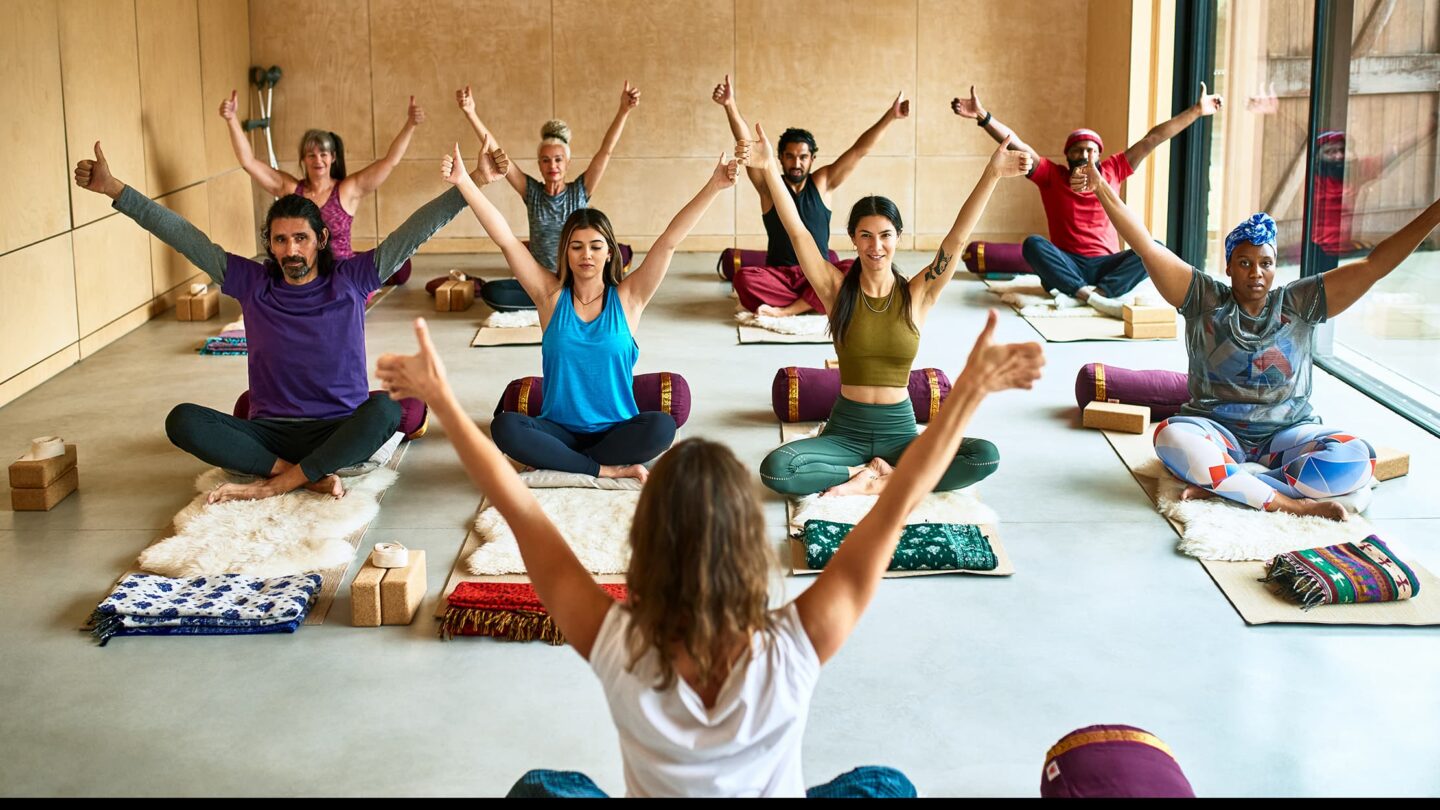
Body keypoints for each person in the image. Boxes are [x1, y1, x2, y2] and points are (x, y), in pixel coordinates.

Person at [374, 308, 1043, 797]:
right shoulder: (793, 645)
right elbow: (898, 502)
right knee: (886, 786)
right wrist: (970, 395)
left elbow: (517, 507)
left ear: (644, 547)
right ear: (750, 549)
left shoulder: (619, 645)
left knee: (545, 788)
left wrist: (443, 402)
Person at [72, 140, 506, 503]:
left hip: (339, 432)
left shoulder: (351, 279)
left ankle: (284, 480)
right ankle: (298, 476)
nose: (291, 249)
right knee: (182, 419)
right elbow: (183, 234)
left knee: (386, 408)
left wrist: (474, 182)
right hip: (271, 437)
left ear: (320, 239)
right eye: (281, 240)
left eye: (301, 238)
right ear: (271, 245)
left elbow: (416, 230)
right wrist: (114, 189)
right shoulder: (251, 282)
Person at [1079, 159, 1440, 519]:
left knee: (1358, 456)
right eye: (1245, 263)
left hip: (1286, 436)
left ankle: (1234, 486)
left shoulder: (1301, 303)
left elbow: (1374, 266)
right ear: (1229, 267)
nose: (1256, 272)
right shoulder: (1204, 299)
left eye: (1265, 263)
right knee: (1170, 437)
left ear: (1274, 266)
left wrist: (1435, 213)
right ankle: (1290, 504)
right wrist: (1100, 188)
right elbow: (1146, 246)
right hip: (1215, 430)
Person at [752, 124, 1031, 496]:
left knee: (983, 455)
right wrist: (770, 168)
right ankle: (863, 474)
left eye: (885, 235)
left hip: (900, 434)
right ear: (853, 238)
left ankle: (882, 478)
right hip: (845, 433)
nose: (876, 246)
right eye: (865, 235)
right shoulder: (835, 289)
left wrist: (992, 173)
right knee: (778, 470)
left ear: (898, 237)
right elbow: (798, 231)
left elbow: (957, 238)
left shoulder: (919, 293)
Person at [442, 141, 740, 482]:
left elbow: (669, 240)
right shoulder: (549, 296)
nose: (587, 255)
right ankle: (599, 469)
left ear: (610, 253)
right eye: (577, 246)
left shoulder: (629, 298)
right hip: (558, 429)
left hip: (616, 431)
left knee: (662, 426)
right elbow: (507, 240)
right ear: (566, 253)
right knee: (506, 426)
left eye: (596, 246)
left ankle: (565, 463)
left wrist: (714, 186)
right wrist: (465, 182)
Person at [952, 83, 1223, 315]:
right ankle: (1087, 295)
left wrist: (1196, 111)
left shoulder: (1113, 170)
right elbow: (1018, 145)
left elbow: (1152, 139)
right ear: (1067, 155)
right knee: (1032, 245)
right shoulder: (1051, 175)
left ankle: (1096, 292)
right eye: (1078, 151)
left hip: (1106, 265)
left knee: (1153, 247)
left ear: (1099, 155)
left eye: (1091, 151)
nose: (1085, 155)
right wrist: (983, 116)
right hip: (1070, 263)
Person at [712, 75, 908, 316]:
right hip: (781, 276)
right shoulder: (769, 187)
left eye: (803, 157)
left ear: (812, 159)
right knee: (743, 280)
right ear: (780, 158)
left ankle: (788, 309)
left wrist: (891, 116)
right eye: (790, 156)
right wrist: (730, 105)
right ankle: (814, 302)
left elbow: (859, 150)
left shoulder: (823, 182)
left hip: (819, 273)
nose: (796, 163)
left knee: (853, 268)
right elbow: (747, 144)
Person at [219, 91, 426, 283]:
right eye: (311, 155)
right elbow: (249, 163)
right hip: (301, 273)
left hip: (341, 274)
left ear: (333, 157)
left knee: (401, 267)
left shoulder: (346, 190)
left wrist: (411, 124)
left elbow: (389, 161)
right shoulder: (292, 189)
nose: (318, 160)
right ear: (304, 159)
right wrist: (231, 120)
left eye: (323, 154)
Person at [456, 81, 639, 278]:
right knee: (496, 293)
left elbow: (606, 151)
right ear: (539, 165)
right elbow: (497, 151)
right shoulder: (532, 192)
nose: (552, 166)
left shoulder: (580, 190)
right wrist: (470, 113)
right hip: (541, 277)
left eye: (558, 160)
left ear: (567, 163)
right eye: (546, 160)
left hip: (573, 276)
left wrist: (623, 111)